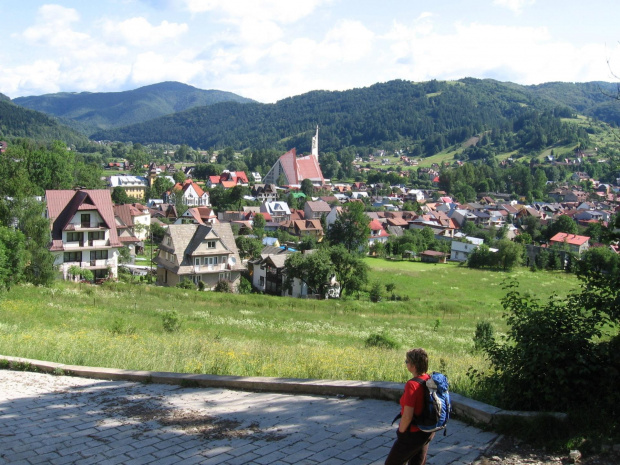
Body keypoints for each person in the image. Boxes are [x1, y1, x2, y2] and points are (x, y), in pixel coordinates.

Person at [385, 348, 435, 465]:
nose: (405, 363)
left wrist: (401, 433)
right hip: (427, 431)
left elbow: (407, 416)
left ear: (413, 365)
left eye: (406, 361)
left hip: (413, 433)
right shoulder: (429, 379)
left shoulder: (412, 385)